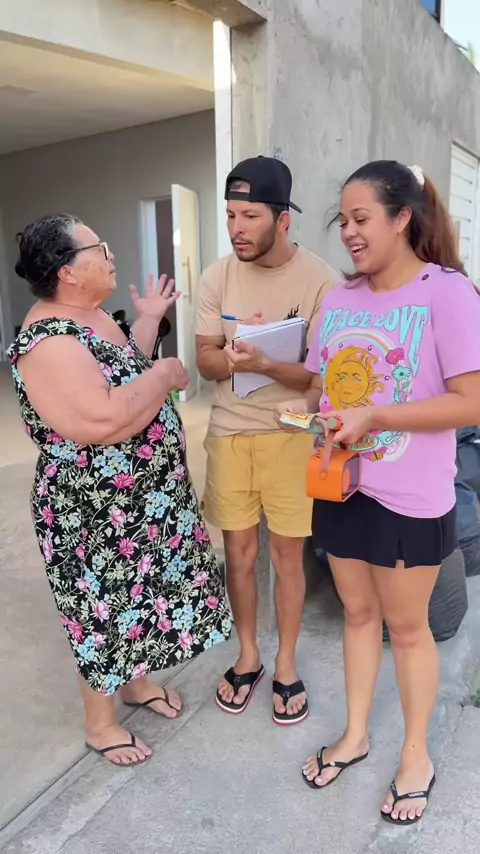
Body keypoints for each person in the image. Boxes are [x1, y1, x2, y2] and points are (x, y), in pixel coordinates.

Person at [277, 160, 480, 823]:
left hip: (410, 496)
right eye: (342, 221)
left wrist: (378, 416)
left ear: (402, 218)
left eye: (361, 218)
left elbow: (471, 401)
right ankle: (357, 735)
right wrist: (307, 410)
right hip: (342, 485)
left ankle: (415, 755)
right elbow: (323, 386)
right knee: (358, 616)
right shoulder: (340, 300)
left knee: (408, 628)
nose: (349, 233)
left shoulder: (446, 292)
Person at [8, 214, 231, 766]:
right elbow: (102, 419)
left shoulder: (91, 316)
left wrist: (149, 321)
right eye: (98, 248)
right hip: (91, 509)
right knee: (102, 608)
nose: (110, 256)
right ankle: (100, 725)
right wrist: (165, 375)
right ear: (68, 272)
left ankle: (135, 683)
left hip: (137, 504)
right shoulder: (47, 341)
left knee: (138, 597)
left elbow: (122, 369)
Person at [196, 156, 337, 724]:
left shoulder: (321, 281)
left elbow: (321, 379)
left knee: (286, 555)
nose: (237, 228)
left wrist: (267, 365)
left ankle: (286, 663)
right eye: (231, 214)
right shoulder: (217, 276)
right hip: (230, 434)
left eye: (249, 215)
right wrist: (231, 360)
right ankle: (249, 655)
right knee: (238, 553)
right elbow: (206, 359)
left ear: (282, 219)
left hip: (290, 435)